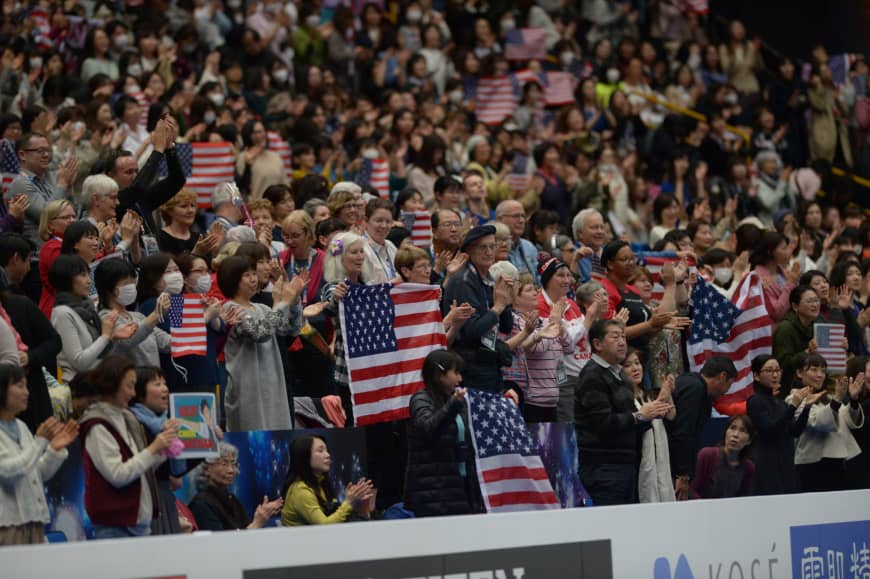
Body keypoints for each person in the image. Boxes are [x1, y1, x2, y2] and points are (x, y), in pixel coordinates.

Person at [79, 355, 179, 539]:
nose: (133, 393)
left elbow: (141, 469)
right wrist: (152, 449)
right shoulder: (97, 425)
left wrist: (163, 448)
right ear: (112, 384)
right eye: (129, 386)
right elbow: (118, 475)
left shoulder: (126, 417)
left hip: (138, 522)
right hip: (115, 524)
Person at [575, 320, 672, 505]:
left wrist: (654, 411)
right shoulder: (592, 376)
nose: (622, 342)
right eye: (615, 336)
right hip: (604, 468)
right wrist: (640, 415)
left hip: (627, 465)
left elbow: (632, 423)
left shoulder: (619, 375)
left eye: (623, 337)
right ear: (597, 344)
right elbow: (603, 423)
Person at [220, 255, 304, 431]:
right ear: (232, 279)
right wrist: (283, 304)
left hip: (273, 386)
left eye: (253, 274)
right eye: (246, 275)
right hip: (248, 389)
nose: (253, 279)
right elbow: (260, 332)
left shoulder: (262, 308)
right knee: (252, 442)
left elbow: (291, 329)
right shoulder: (230, 308)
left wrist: (294, 301)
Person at [0, 364, 76, 545]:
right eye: (19, 386)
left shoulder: (21, 426)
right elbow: (8, 473)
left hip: (34, 523)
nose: (26, 392)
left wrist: (53, 451)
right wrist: (40, 441)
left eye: (26, 386)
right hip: (7, 526)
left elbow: (36, 474)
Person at [404, 350, 484, 517]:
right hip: (433, 491)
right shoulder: (421, 400)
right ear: (440, 374)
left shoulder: (457, 400)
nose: (460, 379)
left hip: (461, 487)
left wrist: (503, 399)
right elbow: (429, 428)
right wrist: (454, 404)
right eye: (456, 373)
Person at [441, 225, 516, 395]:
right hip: (470, 366)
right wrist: (497, 307)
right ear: (469, 251)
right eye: (483, 247)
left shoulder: (490, 278)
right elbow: (471, 331)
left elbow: (506, 327)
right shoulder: (464, 281)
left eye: (492, 246)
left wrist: (505, 302)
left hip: (489, 363)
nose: (489, 252)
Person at [50, 255, 137, 383]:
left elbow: (98, 354)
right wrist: (106, 336)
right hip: (79, 388)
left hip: (96, 383)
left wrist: (112, 337)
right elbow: (79, 362)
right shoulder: (62, 313)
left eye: (88, 274)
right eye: (82, 275)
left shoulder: (87, 310)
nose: (88, 281)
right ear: (66, 279)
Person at [787, 353, 865, 492]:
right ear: (799, 373)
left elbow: (847, 419)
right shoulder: (794, 398)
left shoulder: (827, 397)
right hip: (813, 465)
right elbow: (814, 423)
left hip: (838, 462)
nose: (820, 375)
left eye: (823, 370)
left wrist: (853, 400)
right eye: (814, 369)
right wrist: (836, 399)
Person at [667, 356, 738, 500]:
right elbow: (683, 434)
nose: (725, 392)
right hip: (673, 470)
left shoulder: (687, 381)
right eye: (729, 385)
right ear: (722, 376)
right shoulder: (696, 390)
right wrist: (682, 475)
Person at [128, 366, 184, 535]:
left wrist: (211, 438)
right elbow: (134, 467)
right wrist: (163, 444)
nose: (165, 388)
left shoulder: (165, 421)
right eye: (157, 384)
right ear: (138, 392)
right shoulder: (133, 422)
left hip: (165, 497)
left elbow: (178, 472)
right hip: (146, 499)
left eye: (165, 383)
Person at [745, 354, 811, 495]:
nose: (775, 375)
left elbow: (794, 431)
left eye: (777, 370)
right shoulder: (755, 401)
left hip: (786, 463)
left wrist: (806, 408)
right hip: (767, 463)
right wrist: (793, 406)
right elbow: (770, 430)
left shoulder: (780, 403)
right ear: (756, 375)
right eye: (769, 370)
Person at [320, 231, 368, 423]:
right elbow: (329, 308)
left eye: (361, 252)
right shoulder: (332, 287)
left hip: (369, 369)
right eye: (354, 252)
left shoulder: (367, 285)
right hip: (348, 370)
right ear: (340, 257)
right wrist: (337, 299)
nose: (360, 257)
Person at [281, 435, 375, 526]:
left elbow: (333, 515)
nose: (327, 455)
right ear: (305, 457)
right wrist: (349, 502)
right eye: (320, 451)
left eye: (327, 450)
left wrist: (358, 502)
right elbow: (325, 527)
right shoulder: (300, 491)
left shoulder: (320, 483)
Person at [622, 347, 676, 503]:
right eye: (628, 365)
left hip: (660, 460)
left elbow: (671, 415)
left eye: (637, 363)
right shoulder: (622, 398)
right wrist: (662, 397)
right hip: (637, 460)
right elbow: (641, 420)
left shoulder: (650, 394)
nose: (635, 368)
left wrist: (667, 393)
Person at [189, 442, 284, 531]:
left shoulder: (231, 499)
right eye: (224, 464)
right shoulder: (201, 505)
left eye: (233, 464)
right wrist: (258, 522)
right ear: (206, 469)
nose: (231, 470)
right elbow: (220, 545)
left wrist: (261, 518)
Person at [95, 258, 170, 368]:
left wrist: (202, 317)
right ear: (109, 288)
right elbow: (129, 340)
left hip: (151, 381)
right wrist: (156, 314)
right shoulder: (105, 318)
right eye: (126, 283)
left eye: (133, 282)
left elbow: (167, 343)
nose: (132, 287)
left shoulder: (138, 316)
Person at [691, 415, 756, 499]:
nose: (735, 435)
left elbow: (743, 499)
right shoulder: (707, 455)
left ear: (749, 441)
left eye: (742, 430)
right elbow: (692, 490)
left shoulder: (749, 467)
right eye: (732, 428)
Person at [772, 285, 821, 398]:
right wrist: (807, 352)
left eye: (816, 300)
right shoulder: (785, 328)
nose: (815, 305)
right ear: (795, 306)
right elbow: (782, 365)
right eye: (809, 301)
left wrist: (839, 347)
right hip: (788, 391)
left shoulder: (816, 326)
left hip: (811, 386)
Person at [37, 199, 76, 317]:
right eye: (66, 218)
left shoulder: (69, 243)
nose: (72, 221)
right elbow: (71, 276)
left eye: (74, 216)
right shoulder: (52, 248)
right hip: (55, 310)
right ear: (50, 224)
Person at [496, 200, 540, 284]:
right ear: (500, 219)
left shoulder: (529, 247)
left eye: (523, 216)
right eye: (516, 216)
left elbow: (538, 279)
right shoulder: (494, 247)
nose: (521, 221)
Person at [361, 198, 398, 284]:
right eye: (379, 220)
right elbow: (368, 286)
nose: (384, 226)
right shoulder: (360, 249)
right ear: (366, 221)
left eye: (388, 221)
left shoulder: (391, 246)